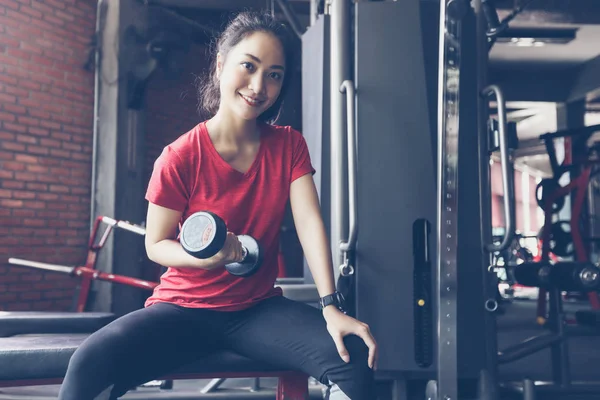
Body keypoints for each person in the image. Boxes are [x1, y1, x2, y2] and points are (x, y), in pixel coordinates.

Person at [58, 11, 378, 400]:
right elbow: (155, 244)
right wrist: (206, 259)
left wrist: (331, 306)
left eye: (274, 74)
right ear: (221, 64)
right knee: (89, 363)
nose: (259, 86)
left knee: (352, 357)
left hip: (255, 311)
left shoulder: (288, 145)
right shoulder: (179, 156)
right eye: (249, 66)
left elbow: (310, 222)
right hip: (182, 310)